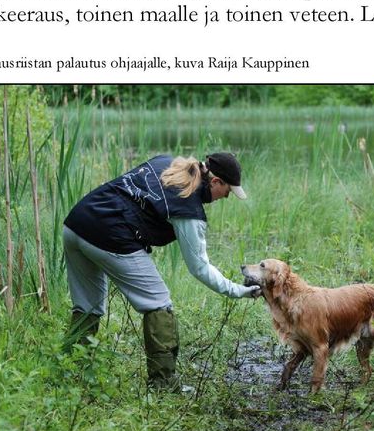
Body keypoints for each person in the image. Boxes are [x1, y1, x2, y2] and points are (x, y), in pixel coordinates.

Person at [62, 151, 259, 386]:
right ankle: (163, 384)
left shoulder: (167, 162)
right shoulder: (189, 208)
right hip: (110, 235)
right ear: (216, 181)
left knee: (88, 306)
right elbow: (199, 268)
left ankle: (68, 373)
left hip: (76, 224)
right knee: (158, 302)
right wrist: (238, 290)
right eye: (226, 193)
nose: (223, 198)